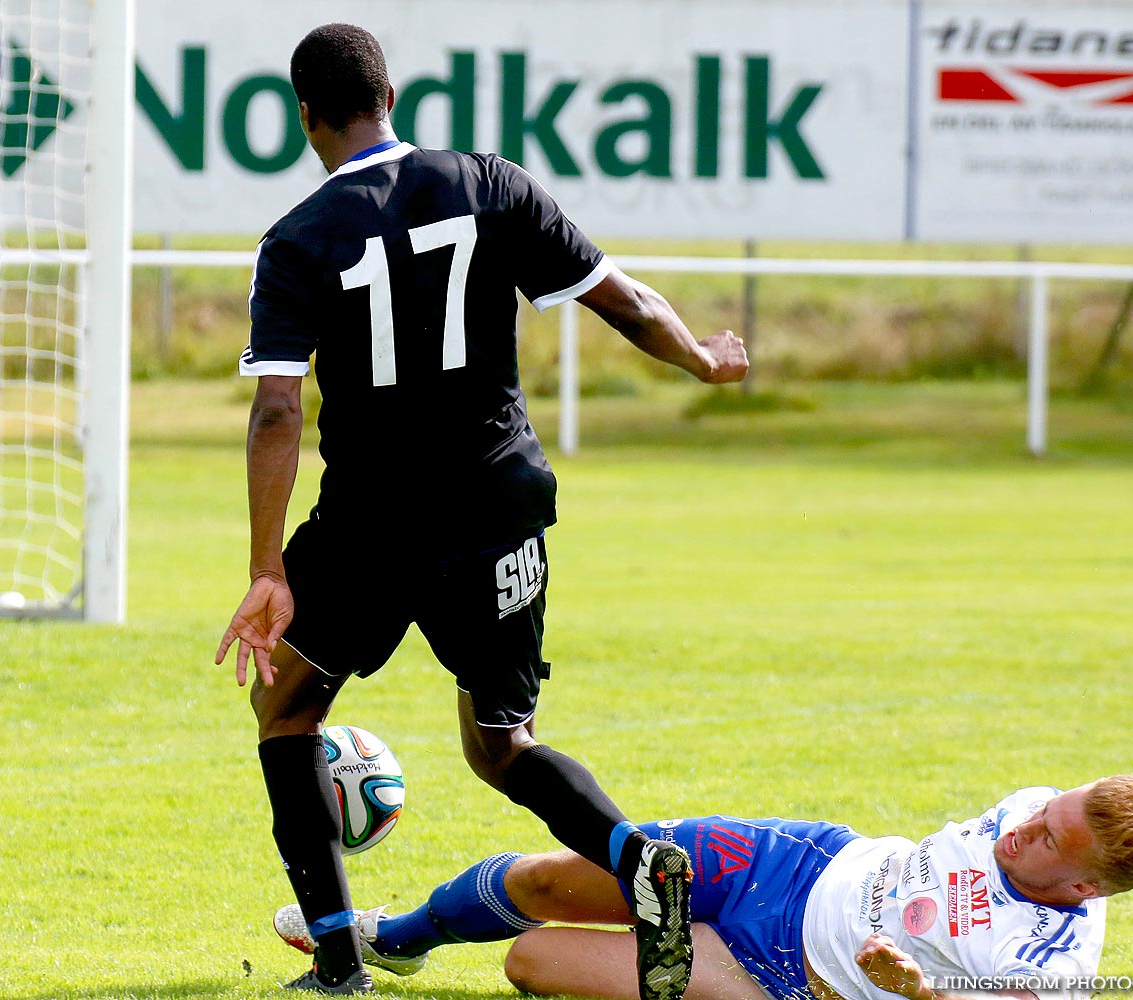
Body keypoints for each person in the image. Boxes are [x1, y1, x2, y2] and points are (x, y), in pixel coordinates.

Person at [214, 21, 748, 999]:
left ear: (305, 118)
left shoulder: (295, 240)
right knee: (503, 744)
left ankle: (338, 963)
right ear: (390, 93)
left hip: (374, 527)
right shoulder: (490, 183)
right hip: (502, 509)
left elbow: (277, 407)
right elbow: (622, 300)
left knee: (284, 709)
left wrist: (265, 567)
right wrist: (702, 359)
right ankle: (640, 863)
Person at [272, 775, 1133, 1000]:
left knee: (530, 960)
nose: (1021, 827)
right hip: (795, 861)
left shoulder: (1046, 966)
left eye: (1046, 839)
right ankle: (396, 938)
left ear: (1086, 887)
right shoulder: (1032, 806)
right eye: (1044, 811)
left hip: (771, 974)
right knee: (547, 880)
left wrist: (917, 991)